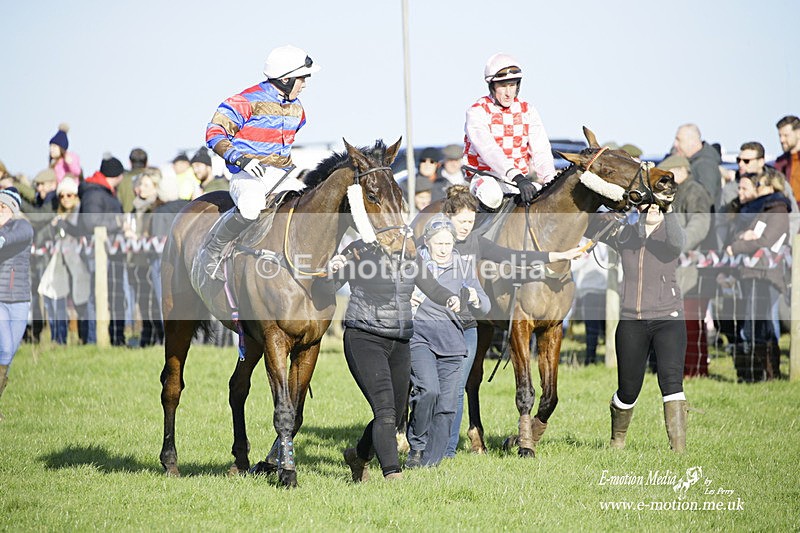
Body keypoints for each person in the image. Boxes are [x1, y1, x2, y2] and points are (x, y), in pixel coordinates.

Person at [433, 185, 584, 457]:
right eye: (464, 221)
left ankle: (446, 450)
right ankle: (421, 438)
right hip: (437, 320)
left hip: (467, 322)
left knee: (457, 384)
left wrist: (558, 256)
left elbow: (515, 256)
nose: (468, 227)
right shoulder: (435, 244)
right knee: (433, 387)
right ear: (449, 218)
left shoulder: (478, 243)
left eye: (471, 221)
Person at [324, 236, 461, 482]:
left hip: (400, 341)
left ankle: (359, 456)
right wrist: (330, 270)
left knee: (395, 414)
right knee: (385, 410)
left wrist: (450, 297)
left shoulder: (410, 254)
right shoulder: (361, 251)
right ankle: (392, 474)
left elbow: (433, 287)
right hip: (365, 337)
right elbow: (328, 287)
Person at [204, 44, 320, 278]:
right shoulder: (242, 101)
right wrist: (241, 159)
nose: (305, 84)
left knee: (313, 209)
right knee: (250, 209)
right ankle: (213, 251)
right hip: (247, 174)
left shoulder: (298, 109)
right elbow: (214, 133)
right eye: (302, 78)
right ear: (286, 79)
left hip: (283, 176)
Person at [600, 202, 689, 453]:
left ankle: (678, 450)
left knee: (672, 383)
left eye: (658, 205)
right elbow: (594, 223)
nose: (652, 209)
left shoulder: (671, 235)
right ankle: (617, 441)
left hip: (668, 319)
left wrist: (669, 208)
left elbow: (677, 240)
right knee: (628, 390)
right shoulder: (626, 235)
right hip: (632, 321)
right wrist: (615, 206)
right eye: (647, 204)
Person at [405, 215, 490, 468]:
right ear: (427, 242)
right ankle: (417, 447)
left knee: (447, 404)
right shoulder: (414, 262)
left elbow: (485, 307)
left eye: (448, 244)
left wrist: (474, 297)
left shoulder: (463, 267)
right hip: (419, 336)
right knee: (428, 390)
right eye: (438, 243)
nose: (443, 249)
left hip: (452, 339)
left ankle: (433, 461)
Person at [463, 52, 556, 209]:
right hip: (484, 178)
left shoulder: (528, 111)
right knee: (492, 196)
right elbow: (489, 150)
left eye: (512, 85)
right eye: (503, 86)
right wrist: (517, 176)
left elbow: (541, 151)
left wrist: (551, 181)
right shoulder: (477, 112)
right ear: (492, 87)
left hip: (518, 181)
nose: (508, 92)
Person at [724, 172, 790, 381]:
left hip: (766, 275)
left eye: (760, 184)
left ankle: (770, 374)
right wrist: (744, 238)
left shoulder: (778, 210)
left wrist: (738, 245)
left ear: (770, 187)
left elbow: (765, 242)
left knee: (765, 326)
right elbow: (745, 235)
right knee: (753, 326)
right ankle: (756, 374)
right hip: (751, 272)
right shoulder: (762, 210)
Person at [656, 155, 714, 377]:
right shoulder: (675, 193)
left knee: (691, 322)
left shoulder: (694, 191)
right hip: (676, 267)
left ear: (680, 170)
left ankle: (697, 370)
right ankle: (681, 369)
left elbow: (700, 224)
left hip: (694, 269)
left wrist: (678, 243)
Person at [75, 155, 127, 346]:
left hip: (110, 253)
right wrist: (118, 222)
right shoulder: (95, 193)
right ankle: (93, 339)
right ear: (117, 175)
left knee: (112, 295)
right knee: (96, 296)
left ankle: (115, 338)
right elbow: (91, 222)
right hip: (97, 254)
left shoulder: (104, 192)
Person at [0, 188, 34, 420]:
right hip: (0, 299)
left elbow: (10, 239)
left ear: (12, 209)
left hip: (20, 298)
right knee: (3, 348)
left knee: (10, 353)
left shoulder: (23, 227)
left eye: (2, 207)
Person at [672, 124, 722, 204]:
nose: (675, 144)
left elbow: (703, 202)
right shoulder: (694, 163)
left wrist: (682, 181)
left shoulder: (705, 165)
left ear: (692, 141)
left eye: (679, 140)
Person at [774, 115, 800, 203]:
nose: (782, 140)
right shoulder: (780, 162)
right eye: (780, 136)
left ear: (798, 133)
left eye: (786, 135)